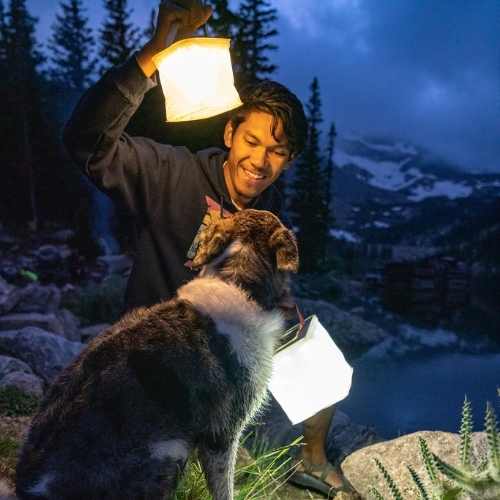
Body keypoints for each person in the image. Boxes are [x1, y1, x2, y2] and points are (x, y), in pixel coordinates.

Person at [63, 1, 356, 497]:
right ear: (230, 133)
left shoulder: (267, 212)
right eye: (253, 140)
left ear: (288, 161)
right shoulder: (170, 173)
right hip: (157, 359)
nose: (259, 160)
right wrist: (153, 55)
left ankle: (313, 460)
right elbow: (87, 143)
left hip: (222, 362)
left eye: (277, 152)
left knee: (323, 360)